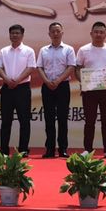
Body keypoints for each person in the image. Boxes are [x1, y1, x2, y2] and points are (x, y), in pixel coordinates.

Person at [75, 21, 106, 159]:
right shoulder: (83, 50)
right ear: (91, 33)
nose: (98, 34)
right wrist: (83, 81)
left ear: (105, 34)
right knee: (89, 120)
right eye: (96, 32)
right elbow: (77, 68)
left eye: (101, 32)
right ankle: (87, 149)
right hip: (89, 91)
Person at [36, 22, 76, 158]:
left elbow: (71, 67)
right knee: (49, 118)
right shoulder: (43, 50)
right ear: (49, 34)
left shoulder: (68, 49)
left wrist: (58, 81)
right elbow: (39, 67)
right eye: (53, 31)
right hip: (47, 86)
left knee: (63, 118)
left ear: (62, 33)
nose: (55, 33)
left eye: (58, 31)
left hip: (62, 86)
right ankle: (50, 149)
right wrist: (47, 81)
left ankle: (63, 149)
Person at [0, 24, 36, 157]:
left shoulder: (29, 51)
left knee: (24, 120)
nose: (14, 35)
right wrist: (7, 80)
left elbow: (30, 68)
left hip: (22, 88)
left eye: (17, 33)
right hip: (7, 88)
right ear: (9, 35)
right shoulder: (3, 51)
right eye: (12, 33)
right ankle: (3, 150)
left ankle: (23, 150)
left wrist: (17, 80)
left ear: (22, 35)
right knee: (6, 121)